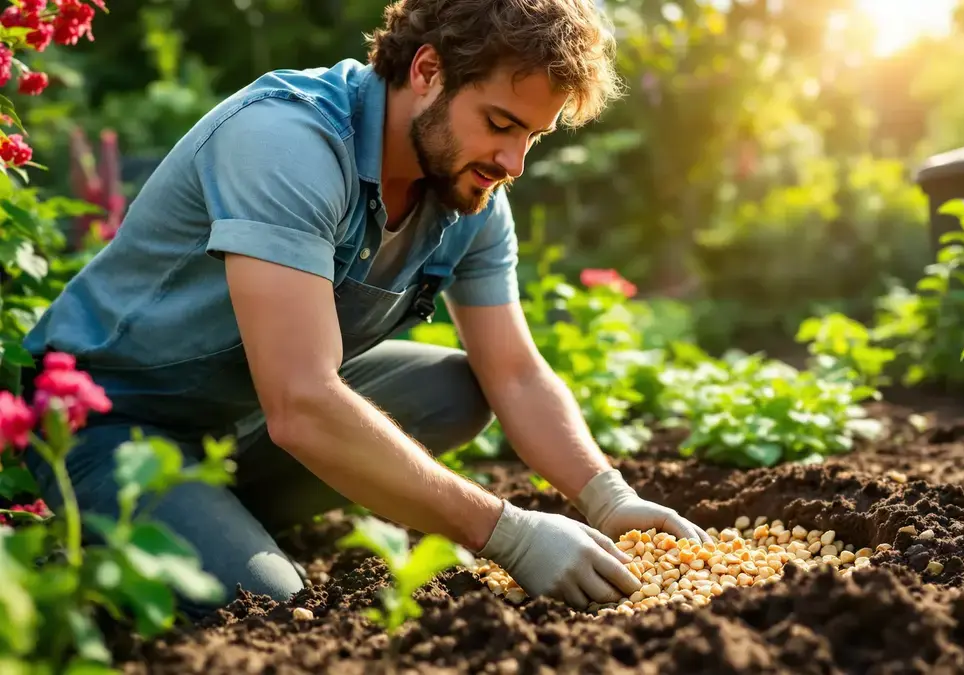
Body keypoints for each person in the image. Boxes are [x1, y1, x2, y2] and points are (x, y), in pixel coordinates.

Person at [20, 0, 711, 617]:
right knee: (272, 606)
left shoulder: (468, 194)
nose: (514, 162)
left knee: (454, 388)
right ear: (428, 70)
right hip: (109, 422)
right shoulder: (287, 143)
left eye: (534, 135)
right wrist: (508, 531)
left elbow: (516, 374)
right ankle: (107, 528)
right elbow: (301, 399)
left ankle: (210, 519)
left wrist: (609, 497)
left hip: (241, 422)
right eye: (501, 123)